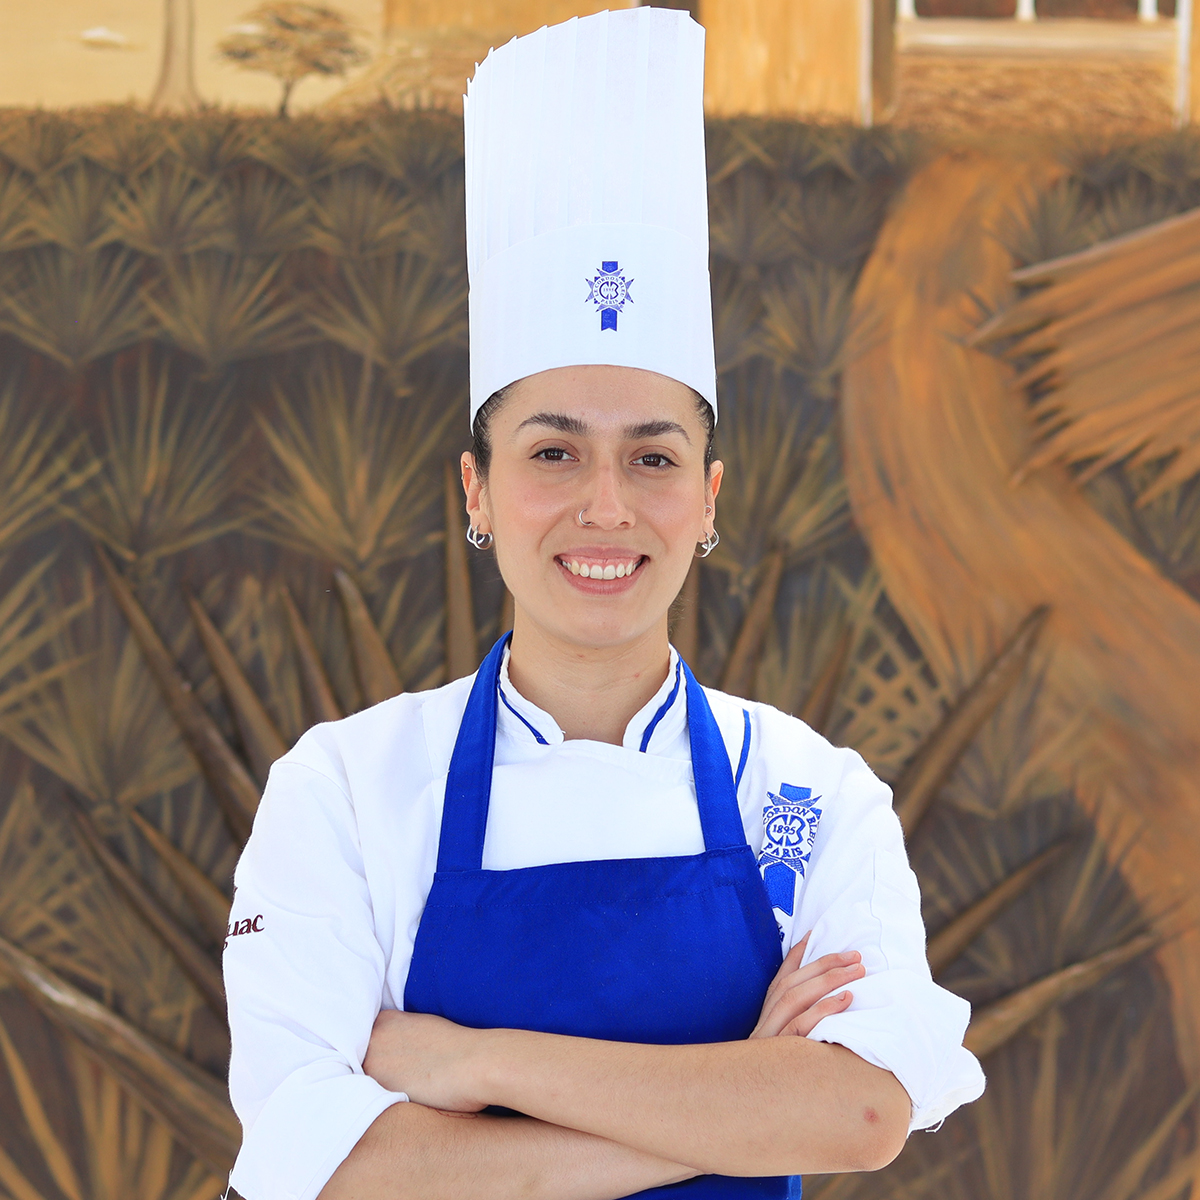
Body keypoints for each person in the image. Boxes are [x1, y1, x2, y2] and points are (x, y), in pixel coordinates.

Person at [222, 10, 986, 1200]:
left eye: (654, 457)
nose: (607, 507)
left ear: (709, 497)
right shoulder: (348, 791)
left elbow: (859, 1108)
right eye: (553, 452)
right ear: (476, 490)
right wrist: (743, 1102)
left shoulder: (807, 792)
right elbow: (323, 1167)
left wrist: (473, 1063)